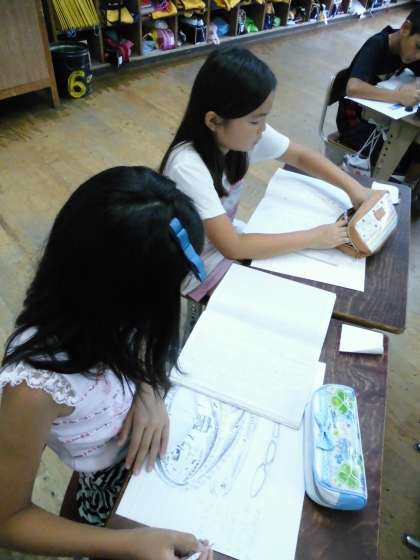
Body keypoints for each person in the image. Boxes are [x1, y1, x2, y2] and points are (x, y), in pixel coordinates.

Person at [0, 166, 213, 560]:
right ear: (123, 298)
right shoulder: (34, 389)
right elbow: (8, 519)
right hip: (107, 516)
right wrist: (129, 543)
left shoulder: (120, 313)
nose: (172, 303)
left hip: (146, 477)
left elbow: (143, 340)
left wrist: (149, 390)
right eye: (167, 293)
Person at [159, 46, 372, 301]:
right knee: (291, 296)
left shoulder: (242, 136)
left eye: (264, 118)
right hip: (196, 268)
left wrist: (355, 190)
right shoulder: (187, 167)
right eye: (255, 121)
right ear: (214, 120)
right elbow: (233, 247)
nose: (262, 129)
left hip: (225, 242)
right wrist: (317, 236)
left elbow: (300, 156)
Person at [337, 6, 420, 190]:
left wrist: (414, 85)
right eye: (418, 46)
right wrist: (398, 96)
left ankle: (406, 188)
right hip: (353, 121)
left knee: (412, 147)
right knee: (405, 153)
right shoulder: (377, 45)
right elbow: (353, 88)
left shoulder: (410, 51)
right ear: (405, 28)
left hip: (379, 120)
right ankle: (398, 189)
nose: (418, 56)